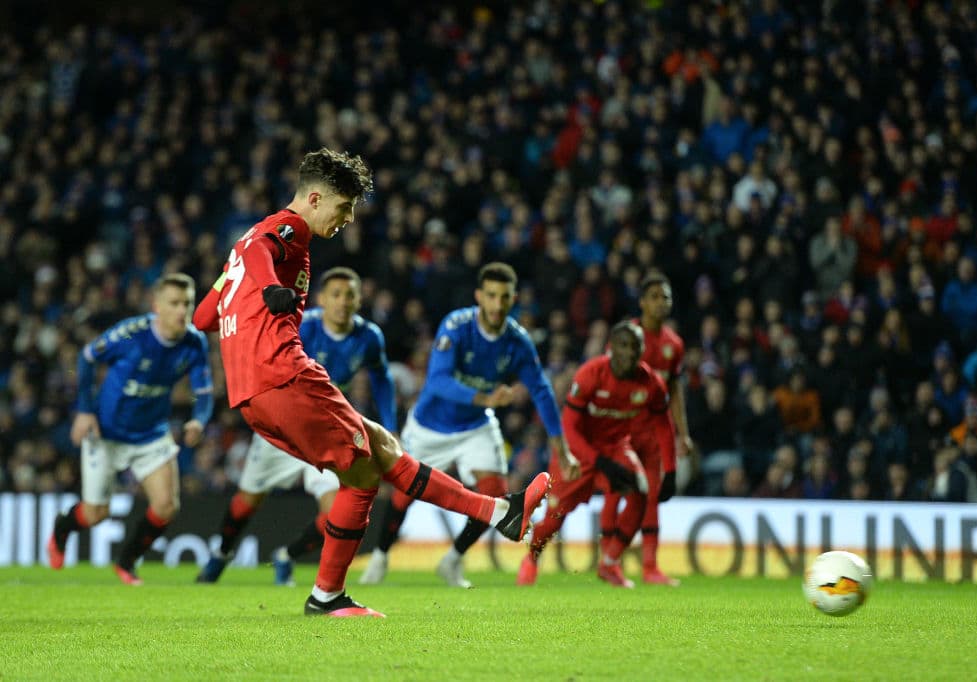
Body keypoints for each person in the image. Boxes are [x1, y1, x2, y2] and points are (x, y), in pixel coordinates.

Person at [191, 148, 552, 618]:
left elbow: (203, 317)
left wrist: (237, 287)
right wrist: (266, 289)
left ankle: (499, 512)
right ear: (315, 198)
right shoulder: (288, 230)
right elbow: (263, 254)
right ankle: (327, 596)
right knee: (362, 474)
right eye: (344, 207)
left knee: (381, 445)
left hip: (252, 393)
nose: (348, 219)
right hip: (282, 374)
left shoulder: (241, 247)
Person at [360, 262, 580, 588]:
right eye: (491, 295)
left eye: (504, 297)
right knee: (404, 496)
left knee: (495, 495)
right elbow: (436, 382)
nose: (497, 304)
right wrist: (486, 397)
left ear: (513, 299)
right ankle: (379, 557)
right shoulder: (457, 326)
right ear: (479, 296)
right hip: (430, 426)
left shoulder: (517, 341)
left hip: (476, 427)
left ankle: (453, 560)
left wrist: (560, 447)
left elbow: (541, 390)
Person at [196, 266, 397, 586]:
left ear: (360, 300)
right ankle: (221, 554)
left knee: (337, 510)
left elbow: (381, 378)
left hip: (325, 430)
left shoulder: (369, 337)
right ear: (321, 299)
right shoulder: (302, 324)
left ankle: (287, 556)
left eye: (350, 295)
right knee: (249, 499)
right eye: (336, 295)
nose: (343, 302)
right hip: (284, 425)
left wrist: (390, 424)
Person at [47, 274, 213, 585]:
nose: (182, 311)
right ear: (157, 306)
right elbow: (86, 358)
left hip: (151, 433)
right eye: (174, 303)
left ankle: (127, 561)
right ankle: (63, 526)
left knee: (166, 506)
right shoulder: (130, 335)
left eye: (187, 303)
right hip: (107, 434)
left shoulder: (194, 342)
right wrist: (84, 410)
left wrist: (198, 420)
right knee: (96, 514)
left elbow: (203, 392)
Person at [517, 320, 676, 588]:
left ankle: (610, 563)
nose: (629, 353)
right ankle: (532, 558)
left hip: (616, 448)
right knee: (555, 518)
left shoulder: (651, 383)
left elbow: (664, 424)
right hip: (578, 451)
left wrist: (670, 470)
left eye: (636, 347)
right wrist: (598, 461)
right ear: (611, 348)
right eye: (623, 346)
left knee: (640, 492)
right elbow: (569, 427)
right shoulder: (590, 374)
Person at [598, 273, 693, 586]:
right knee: (616, 493)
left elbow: (674, 392)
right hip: (622, 430)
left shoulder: (674, 345)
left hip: (653, 433)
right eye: (653, 296)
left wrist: (683, 432)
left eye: (665, 297)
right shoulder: (627, 338)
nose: (660, 302)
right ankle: (608, 561)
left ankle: (650, 567)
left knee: (651, 497)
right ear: (641, 302)